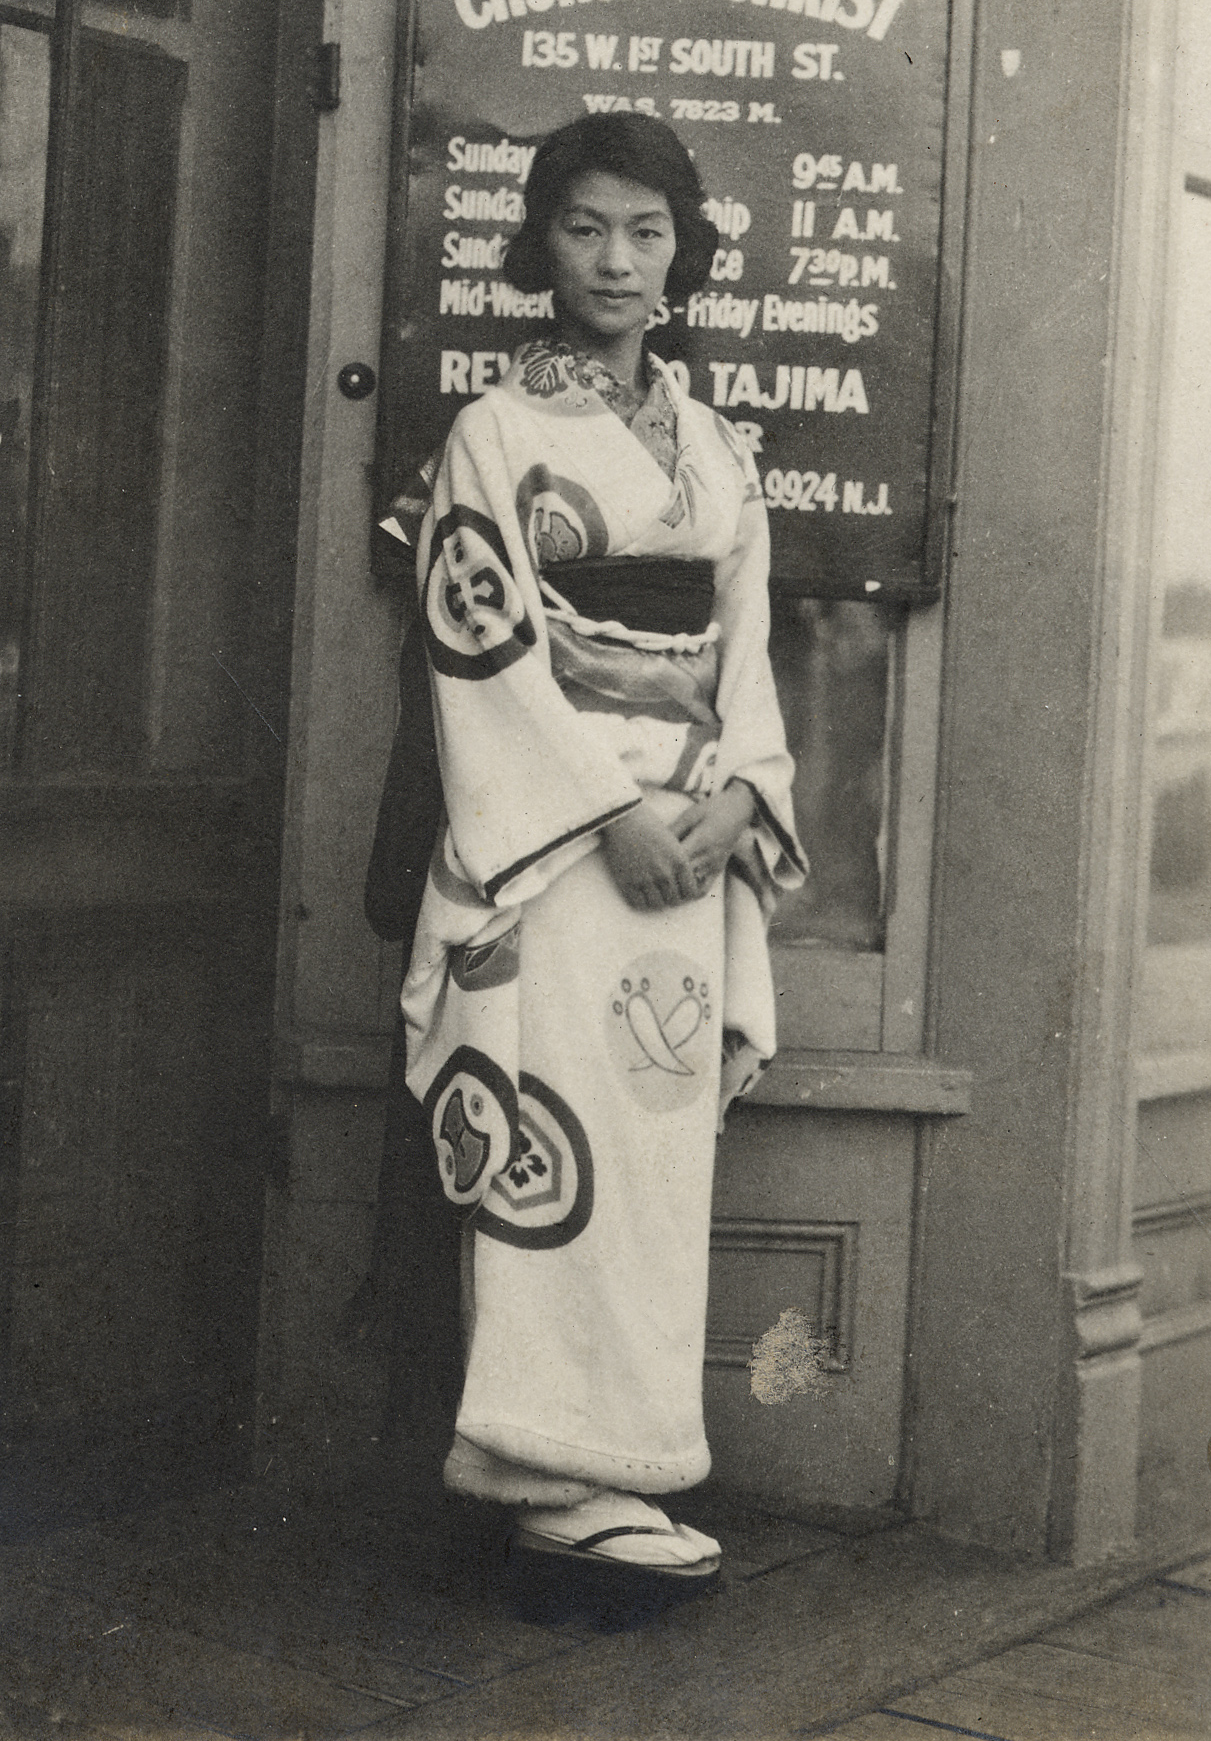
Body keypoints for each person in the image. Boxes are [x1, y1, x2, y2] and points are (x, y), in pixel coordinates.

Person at [394, 111, 806, 1577]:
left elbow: (744, 643)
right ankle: (544, 1468)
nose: (617, 259)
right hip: (565, 843)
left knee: (649, 1145)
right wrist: (611, 811)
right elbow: (481, 639)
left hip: (686, 835)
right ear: (541, 246)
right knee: (549, 1132)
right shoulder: (496, 435)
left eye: (646, 231)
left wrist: (739, 799)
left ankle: (611, 1460)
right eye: (585, 227)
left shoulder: (711, 446)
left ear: (684, 252)